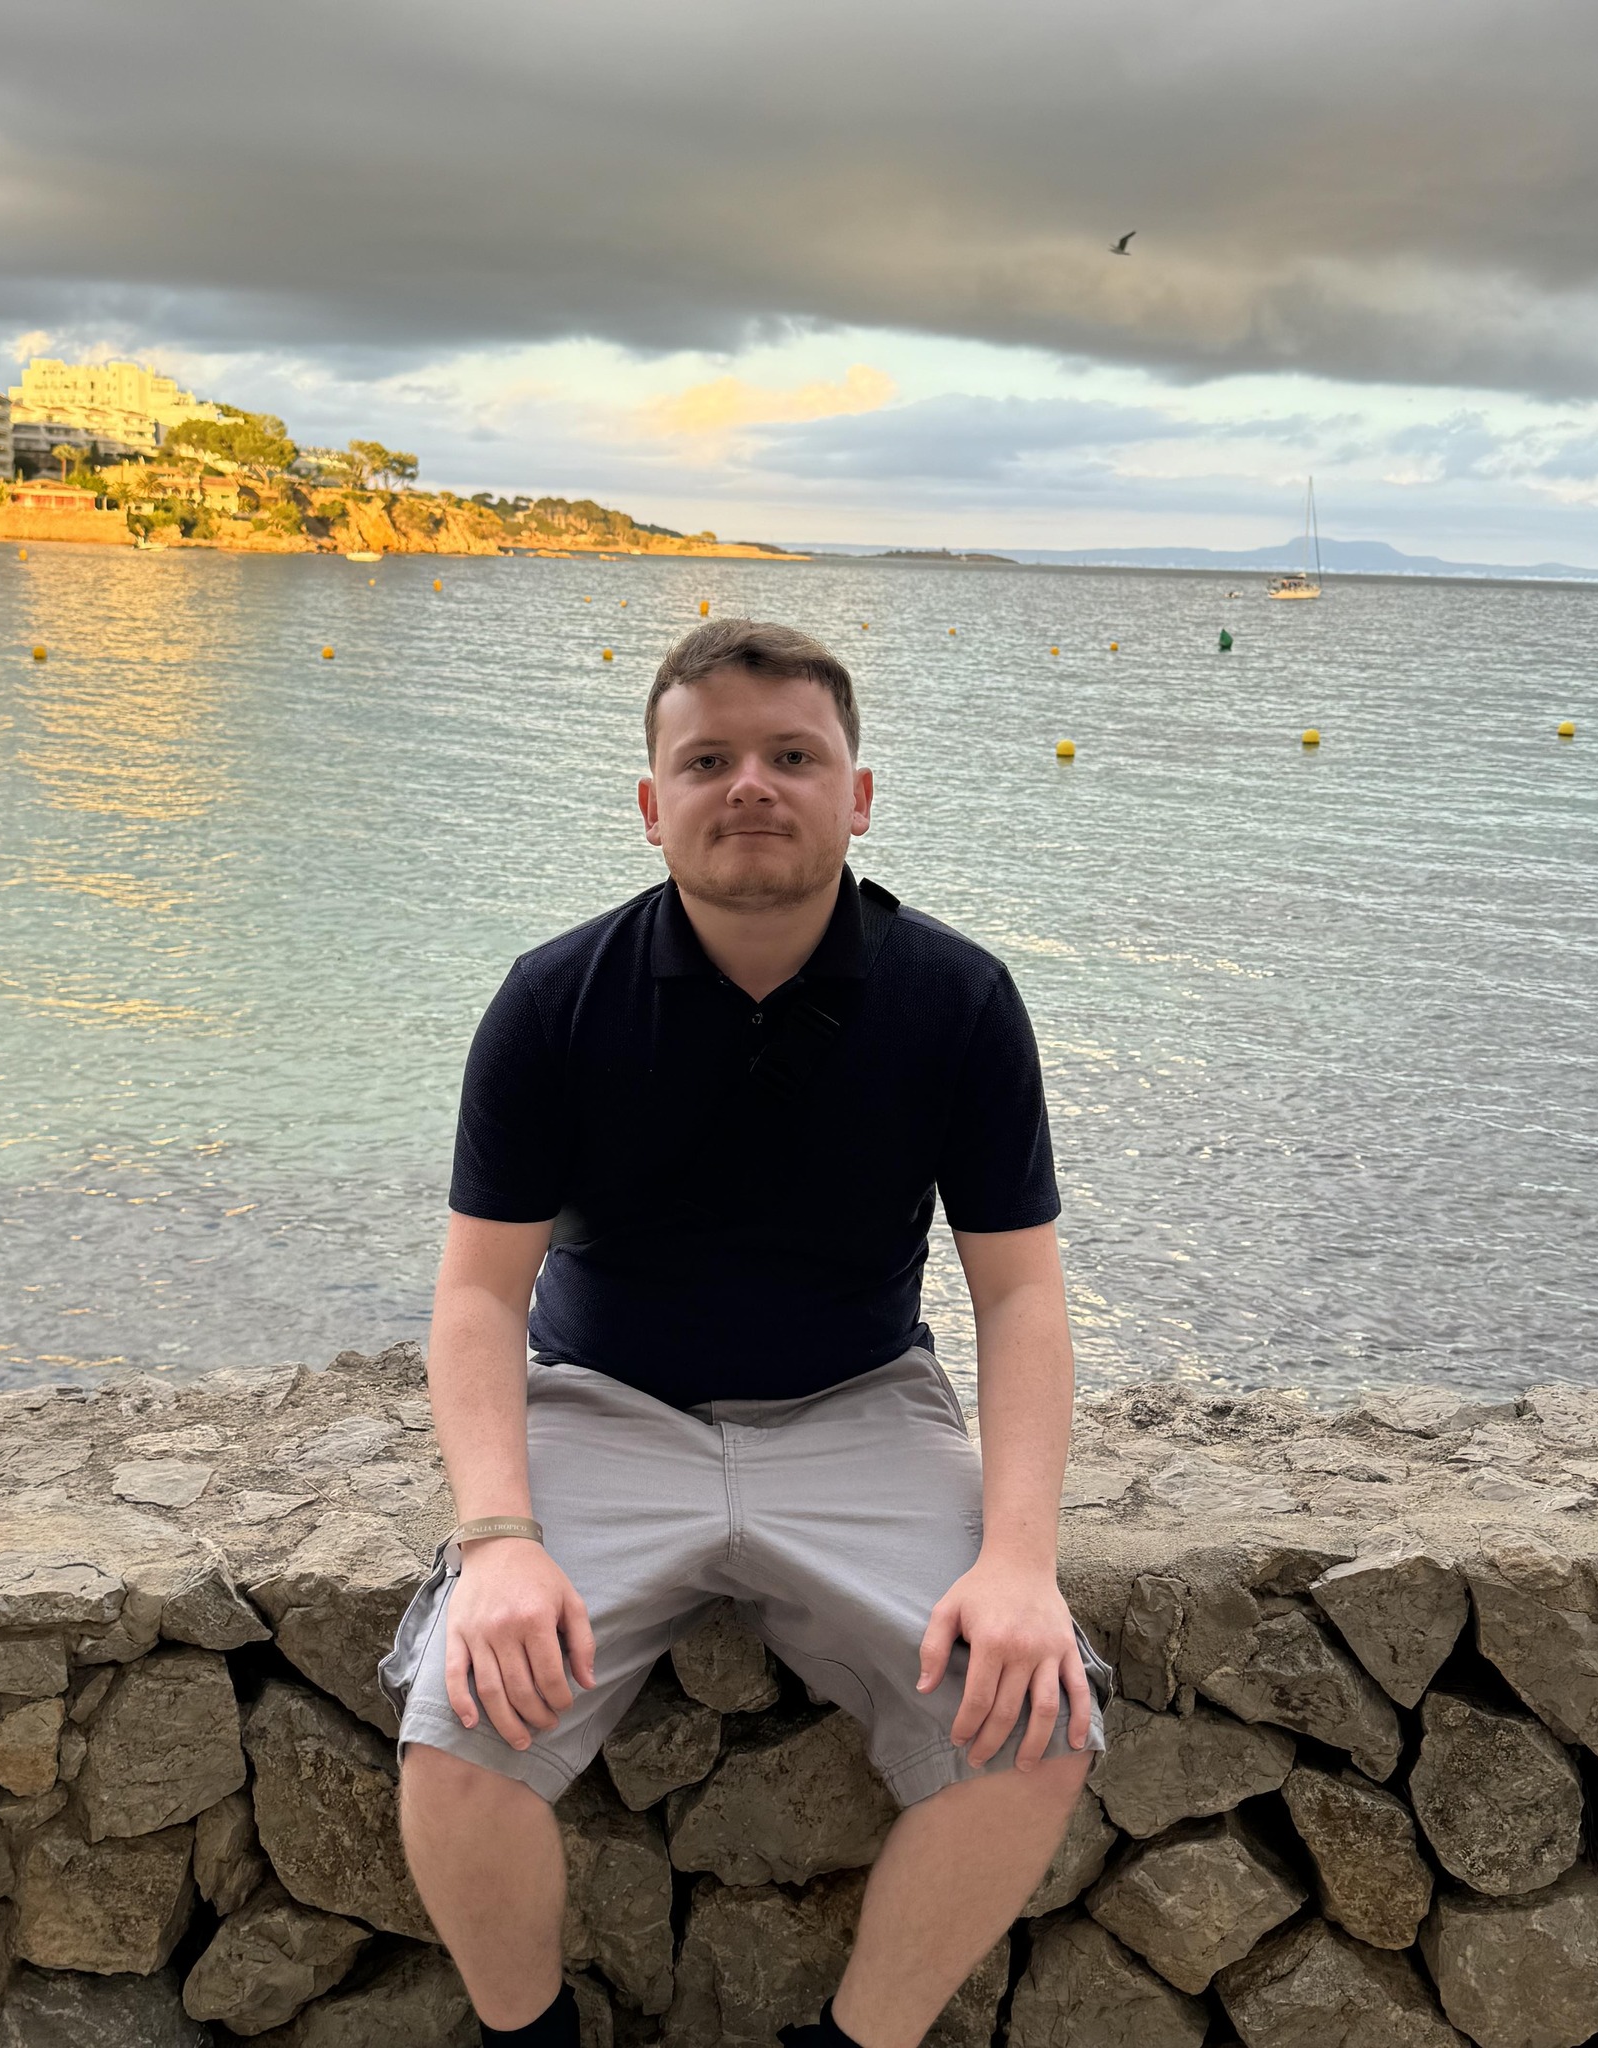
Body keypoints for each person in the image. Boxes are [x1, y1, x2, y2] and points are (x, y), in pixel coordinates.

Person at [382, 618, 1111, 2048]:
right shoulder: (554, 1001)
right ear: (652, 805)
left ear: (860, 794)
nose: (752, 786)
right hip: (604, 1407)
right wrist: (499, 1537)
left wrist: (1021, 1561)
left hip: (862, 1408)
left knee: (1038, 1728)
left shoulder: (958, 1001)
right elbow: (478, 1297)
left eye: (794, 755)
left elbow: (1020, 1295)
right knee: (458, 1739)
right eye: (708, 760)